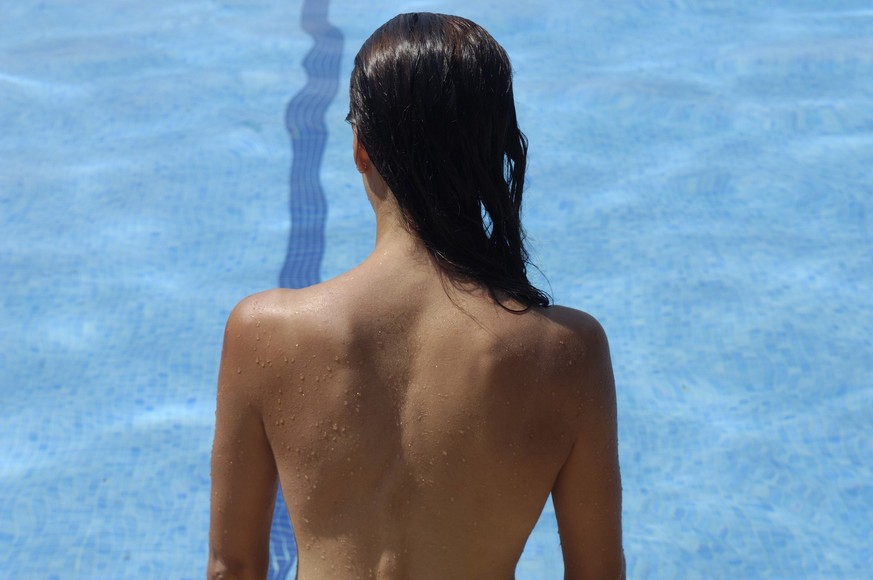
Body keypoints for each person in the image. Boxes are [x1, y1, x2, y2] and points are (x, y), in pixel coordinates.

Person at [208, 12, 624, 580]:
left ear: (360, 149)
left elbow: (231, 568)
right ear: (497, 151)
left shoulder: (264, 333)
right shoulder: (567, 352)